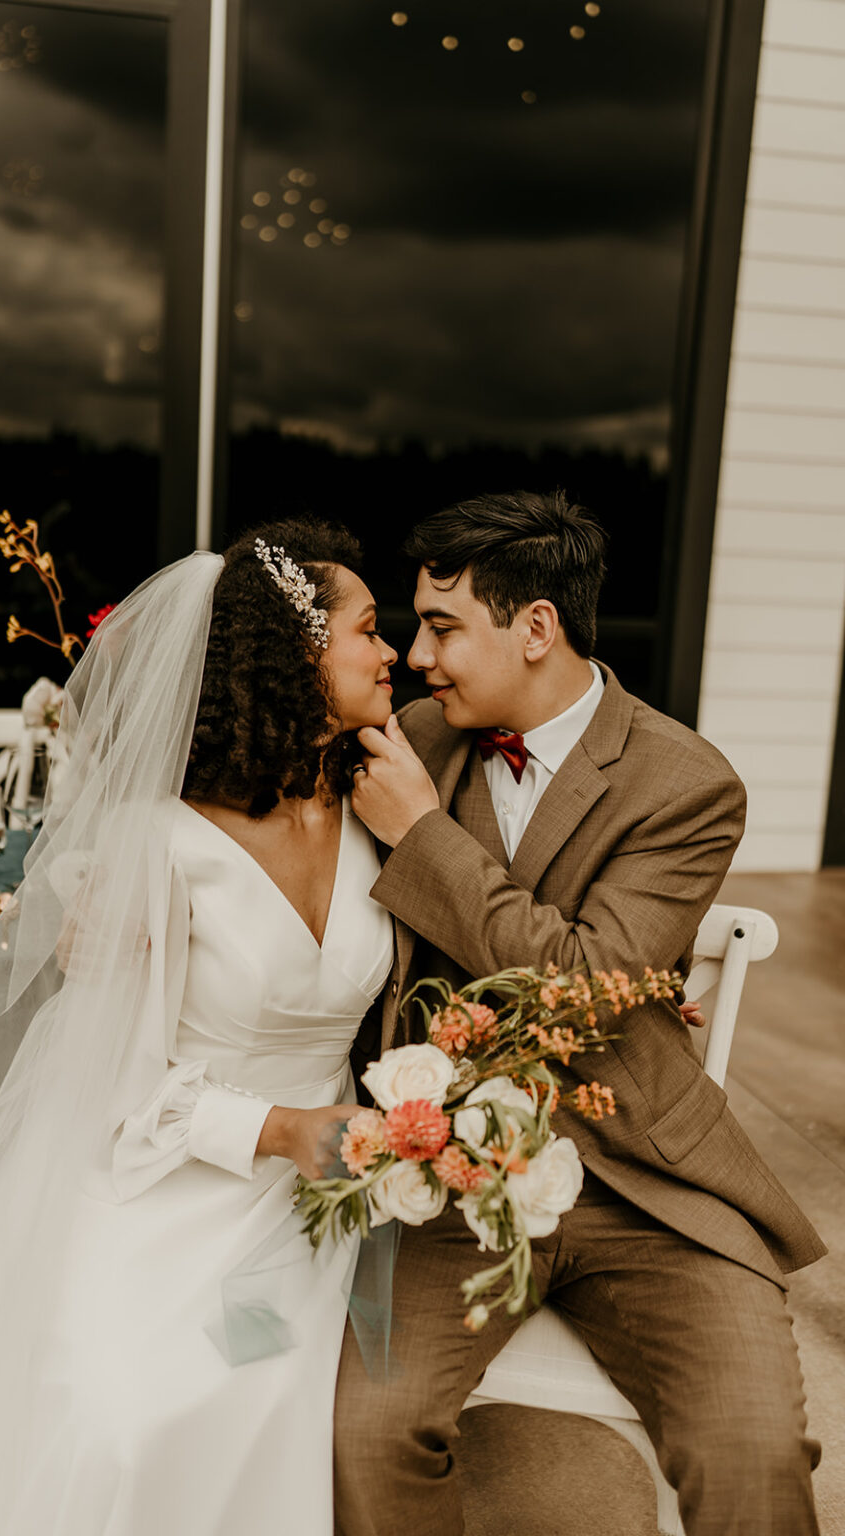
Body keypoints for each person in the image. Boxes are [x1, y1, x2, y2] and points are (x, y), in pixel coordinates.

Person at [0, 519, 397, 1536]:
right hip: (168, 1177)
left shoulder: (381, 808)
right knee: (127, 1418)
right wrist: (278, 1131)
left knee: (265, 1390)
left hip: (331, 1197)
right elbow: (120, 1091)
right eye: (368, 629)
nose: (392, 652)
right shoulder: (158, 844)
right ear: (299, 655)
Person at [336, 490, 826, 1536]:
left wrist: (423, 834)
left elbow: (585, 990)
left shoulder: (686, 782)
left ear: (536, 628)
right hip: (445, 1179)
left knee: (753, 1447)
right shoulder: (409, 735)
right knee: (366, 1432)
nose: (417, 657)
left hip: (644, 1183)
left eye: (441, 626)